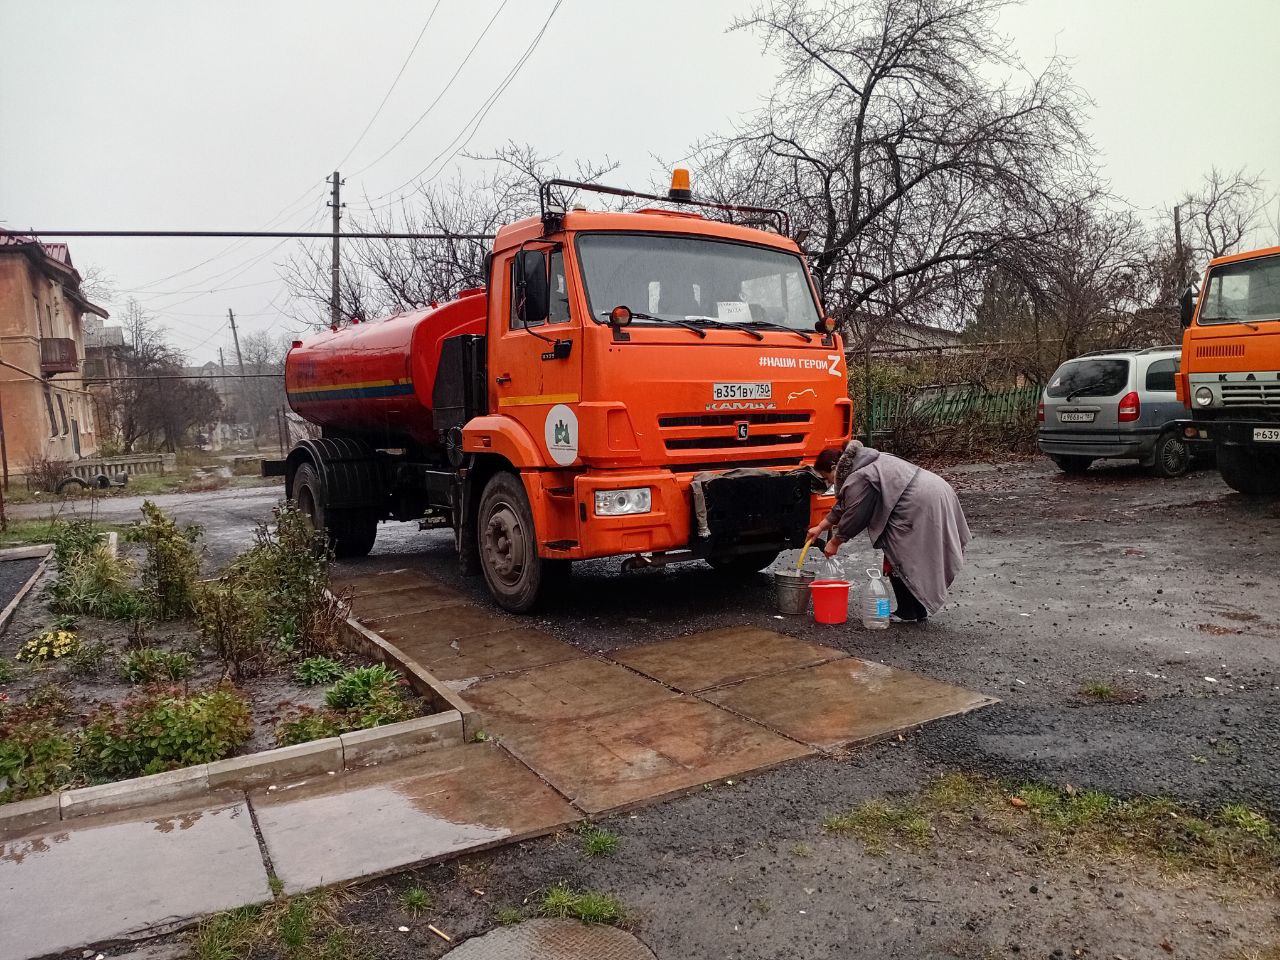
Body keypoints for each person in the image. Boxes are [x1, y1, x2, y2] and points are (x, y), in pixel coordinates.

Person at [808, 440, 970, 622]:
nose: (829, 483)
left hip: (919, 502)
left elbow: (855, 514)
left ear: (834, 466)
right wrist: (821, 527)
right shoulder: (865, 461)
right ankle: (918, 610)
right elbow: (846, 504)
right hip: (936, 491)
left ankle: (907, 612)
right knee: (912, 556)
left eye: (827, 477)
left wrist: (836, 541)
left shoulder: (859, 475)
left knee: (899, 554)